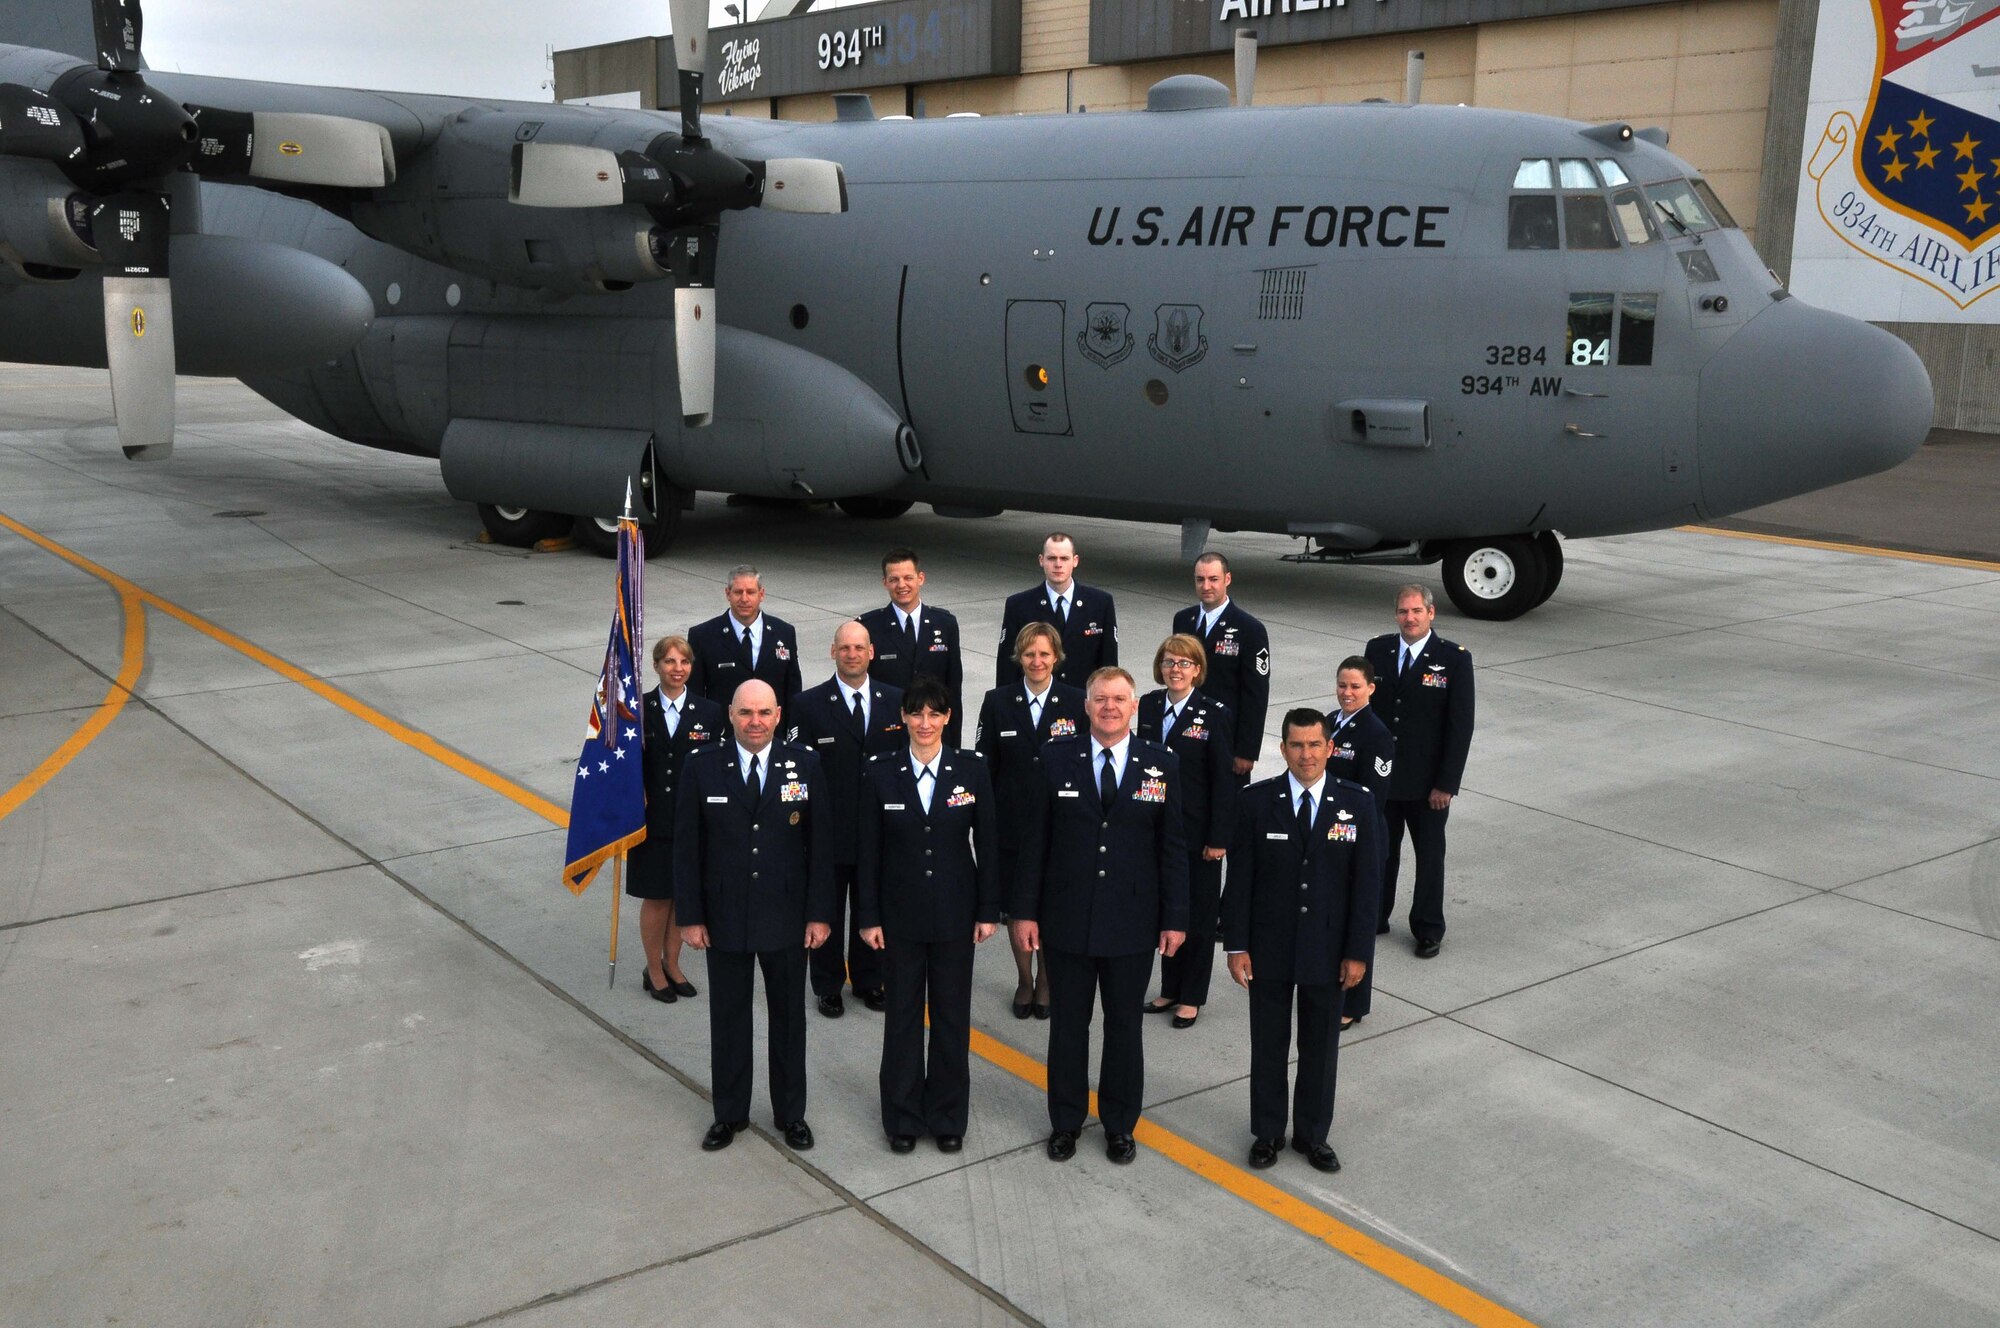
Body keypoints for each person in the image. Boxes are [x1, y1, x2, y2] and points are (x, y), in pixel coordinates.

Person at [1013, 666, 1188, 1165]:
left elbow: (1173, 848)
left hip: (1132, 924)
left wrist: (1175, 918)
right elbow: (1035, 844)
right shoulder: (1054, 758)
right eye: (1100, 699)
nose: (1109, 707)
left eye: (1119, 699)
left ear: (1135, 707)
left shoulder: (1161, 764)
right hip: (1066, 920)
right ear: (1085, 706)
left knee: (1124, 1029)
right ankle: (1065, 1122)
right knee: (1068, 1026)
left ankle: (1118, 1125)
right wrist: (1025, 913)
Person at [674, 680, 834, 1154]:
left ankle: (791, 1114)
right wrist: (690, 917)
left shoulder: (804, 764)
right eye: (746, 712)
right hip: (723, 918)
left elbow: (820, 847)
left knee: (789, 1021)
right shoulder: (701, 767)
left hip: (787, 917)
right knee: (728, 1018)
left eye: (764, 712)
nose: (755, 721)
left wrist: (819, 914)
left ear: (779, 714)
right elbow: (687, 849)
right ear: (731, 714)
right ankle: (729, 1114)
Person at [1223, 708, 1380, 1174]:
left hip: (1328, 951)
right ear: (1283, 748)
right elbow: (1240, 883)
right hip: (1268, 948)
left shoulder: (1358, 803)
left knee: (1320, 1047)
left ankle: (1312, 1134)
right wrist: (1236, 946)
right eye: (1296, 745)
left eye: (1315, 745)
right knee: (1268, 1044)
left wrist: (1358, 952)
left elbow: (1366, 886)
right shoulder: (1256, 802)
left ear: (1330, 748)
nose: (1306, 754)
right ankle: (1267, 1132)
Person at [856, 677, 1000, 1154]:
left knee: (951, 1017)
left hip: (956, 915)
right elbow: (868, 854)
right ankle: (901, 1116)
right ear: (903, 718)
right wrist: (868, 916)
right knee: (900, 1019)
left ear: (947, 718)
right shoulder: (880, 772)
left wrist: (987, 909)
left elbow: (990, 845)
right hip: (899, 918)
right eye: (916, 714)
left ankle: (946, 1116)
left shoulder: (971, 769)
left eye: (934, 714)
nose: (924, 723)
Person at [788, 621, 905, 1018]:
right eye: (845, 648)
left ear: (871, 652)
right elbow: (797, 770)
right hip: (828, 830)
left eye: (859, 647)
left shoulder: (896, 701)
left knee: (874, 907)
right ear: (832, 651)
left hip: (881, 831)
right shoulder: (807, 704)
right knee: (828, 910)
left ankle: (870, 980)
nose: (852, 654)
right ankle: (827, 985)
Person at [976, 622, 1086, 1021]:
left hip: (1063, 827)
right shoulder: (997, 701)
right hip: (1013, 825)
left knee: (1053, 909)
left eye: (1043, 653)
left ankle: (1047, 982)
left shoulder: (1077, 702)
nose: (1036, 661)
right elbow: (984, 765)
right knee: (1019, 908)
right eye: (1028, 654)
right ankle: (1025, 978)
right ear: (1018, 658)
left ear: (1056, 656)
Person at [1363, 585, 1475, 959]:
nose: (1409, 618)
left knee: (1429, 858)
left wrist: (1446, 783)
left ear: (1431, 613)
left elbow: (1460, 727)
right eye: (1402, 611)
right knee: (1381, 852)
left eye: (1415, 611)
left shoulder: (1454, 659)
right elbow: (1367, 715)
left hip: (1429, 785)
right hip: (1383, 778)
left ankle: (1428, 928)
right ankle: (1376, 915)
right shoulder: (1377, 650)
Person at [1137, 634, 1236, 1029]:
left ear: (1198, 670)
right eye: (1169, 662)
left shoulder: (1214, 714)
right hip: (1152, 829)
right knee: (1165, 909)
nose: (1175, 669)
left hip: (1198, 834)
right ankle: (1170, 986)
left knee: (1196, 915)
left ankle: (1192, 995)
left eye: (1184, 663)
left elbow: (1223, 782)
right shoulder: (1147, 705)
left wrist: (1219, 838)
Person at [626, 634, 725, 1005]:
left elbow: (716, 767)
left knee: (683, 897)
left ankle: (673, 963)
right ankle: (653, 968)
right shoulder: (637, 709)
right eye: (669, 662)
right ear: (656, 666)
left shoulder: (710, 712)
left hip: (692, 820)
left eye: (683, 662)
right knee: (657, 897)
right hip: (650, 820)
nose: (677, 669)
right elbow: (625, 767)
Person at [1327, 656, 1394, 1027]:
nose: (1347, 692)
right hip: (1330, 837)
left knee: (1357, 921)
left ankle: (1353, 1004)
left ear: (1370, 688)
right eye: (1342, 685)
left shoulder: (1376, 734)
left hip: (1359, 840)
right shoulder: (1330, 724)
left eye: (1355, 686)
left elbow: (1373, 796)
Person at [1171, 552, 1270, 780]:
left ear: (1227, 579)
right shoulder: (1183, 620)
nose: (1206, 586)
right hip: (1187, 734)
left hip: (1226, 741)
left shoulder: (1250, 629)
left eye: (1213, 579)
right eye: (1200, 579)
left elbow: (1256, 695)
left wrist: (1247, 750)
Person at [859, 547, 965, 747]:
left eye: (908, 578)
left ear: (921, 578)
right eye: (894, 579)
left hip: (932, 732)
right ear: (885, 583)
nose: (902, 585)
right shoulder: (869, 627)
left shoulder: (945, 623)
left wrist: (953, 742)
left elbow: (954, 688)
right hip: (888, 733)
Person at [996, 532, 1117, 689]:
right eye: (1052, 558)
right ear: (1041, 560)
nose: (1058, 564)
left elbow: (1109, 665)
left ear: (1075, 561)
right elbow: (1007, 666)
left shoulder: (1100, 604)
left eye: (1064, 558)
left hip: (1082, 704)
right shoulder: (1019, 605)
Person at [688, 565, 804, 715]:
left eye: (750, 592)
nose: (744, 598)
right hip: (725, 733)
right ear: (727, 594)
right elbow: (695, 694)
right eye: (738, 592)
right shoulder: (702, 636)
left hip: (773, 732)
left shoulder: (784, 632)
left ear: (761, 594)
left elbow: (793, 689)